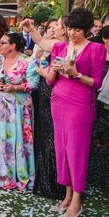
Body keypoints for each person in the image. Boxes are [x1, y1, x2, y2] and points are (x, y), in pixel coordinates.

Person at [46, 8, 106, 217]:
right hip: (58, 101)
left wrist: (77, 74)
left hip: (80, 103)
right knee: (62, 148)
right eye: (70, 28)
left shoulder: (96, 49)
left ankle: (77, 199)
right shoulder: (60, 47)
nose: (72, 33)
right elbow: (50, 81)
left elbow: (96, 83)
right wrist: (53, 70)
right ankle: (67, 194)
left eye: (77, 29)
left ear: (86, 30)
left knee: (76, 150)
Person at [0, 32, 39, 191]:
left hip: (17, 109)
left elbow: (34, 83)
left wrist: (15, 87)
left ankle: (13, 175)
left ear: (12, 46)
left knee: (14, 140)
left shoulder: (27, 62)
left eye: (3, 43)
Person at [32, 17, 67, 200]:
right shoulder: (56, 45)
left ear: (64, 30)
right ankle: (46, 181)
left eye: (57, 26)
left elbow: (54, 74)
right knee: (47, 135)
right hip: (46, 91)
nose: (53, 28)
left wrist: (42, 72)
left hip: (55, 91)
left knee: (53, 137)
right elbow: (39, 45)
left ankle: (54, 183)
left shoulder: (63, 47)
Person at [87, 25, 109, 189]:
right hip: (93, 103)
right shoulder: (95, 53)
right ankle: (93, 178)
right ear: (104, 39)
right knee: (93, 140)